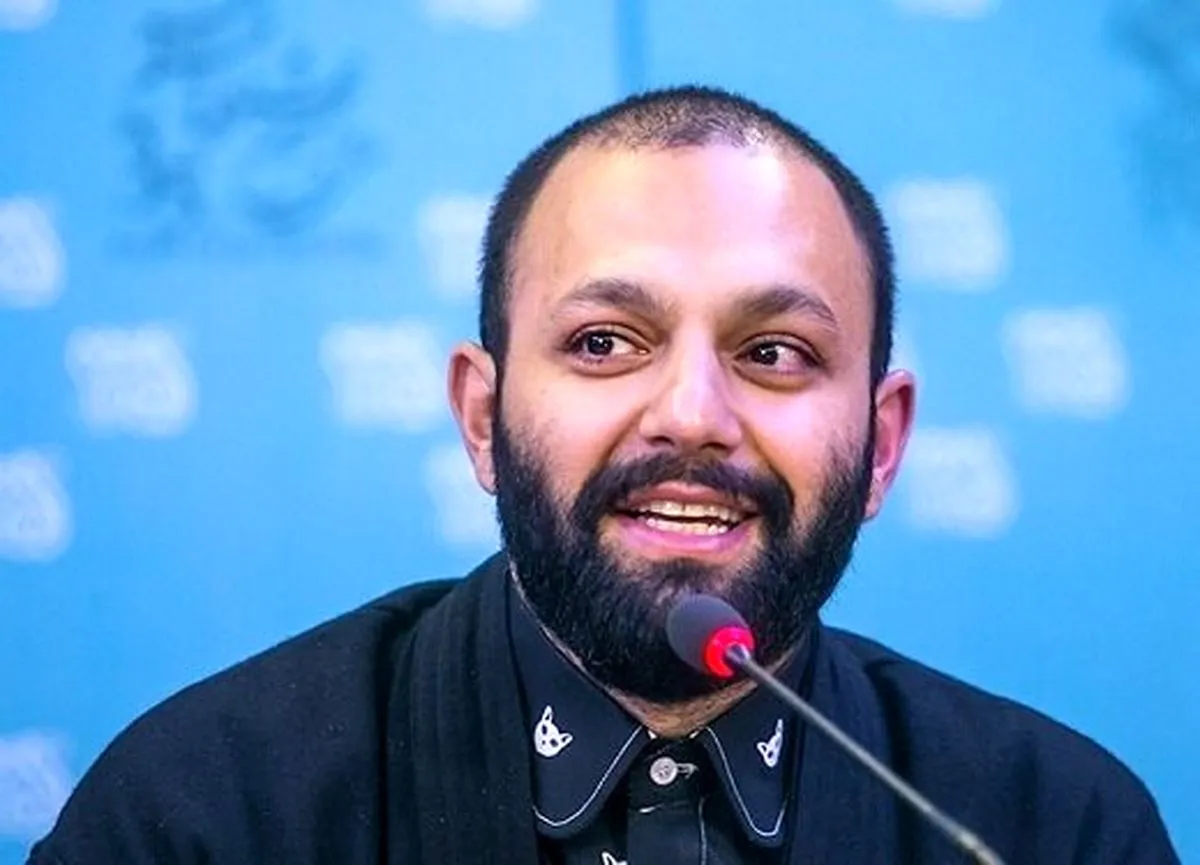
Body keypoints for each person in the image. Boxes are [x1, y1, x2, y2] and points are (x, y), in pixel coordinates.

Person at [27, 85, 1179, 865]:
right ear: (482, 417)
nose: (692, 415)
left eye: (775, 352)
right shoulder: (204, 813)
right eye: (604, 342)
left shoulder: (1054, 826)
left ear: (881, 445)